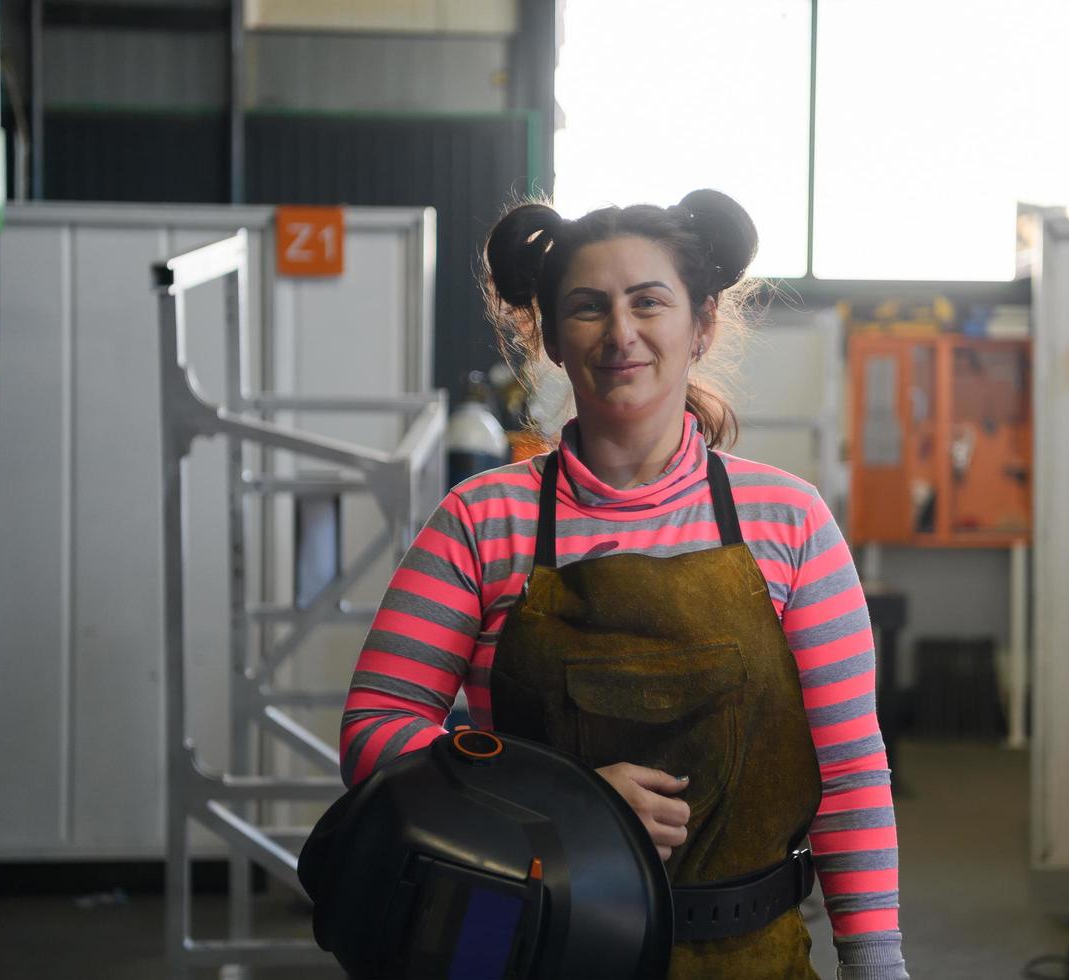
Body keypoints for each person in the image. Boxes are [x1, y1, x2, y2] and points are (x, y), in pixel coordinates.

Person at [339, 189, 907, 979]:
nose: (621, 334)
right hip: (530, 948)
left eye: (649, 303)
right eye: (587, 308)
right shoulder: (481, 522)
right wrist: (565, 802)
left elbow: (849, 769)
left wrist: (876, 962)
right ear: (550, 340)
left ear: (702, 325)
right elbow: (374, 731)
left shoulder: (789, 523)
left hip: (748, 958)